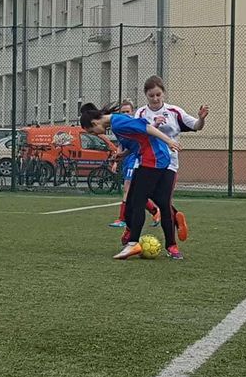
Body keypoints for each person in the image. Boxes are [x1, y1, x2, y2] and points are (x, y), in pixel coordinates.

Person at [80, 103, 181, 260]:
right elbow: (139, 140)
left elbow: (147, 128)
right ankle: (171, 246)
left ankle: (133, 242)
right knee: (156, 201)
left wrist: (169, 141)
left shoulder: (118, 123)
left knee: (137, 202)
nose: (96, 134)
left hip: (153, 159)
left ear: (94, 122)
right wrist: (124, 154)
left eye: (92, 132)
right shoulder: (116, 123)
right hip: (152, 158)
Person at [136, 75, 209, 244]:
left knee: (163, 200)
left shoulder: (174, 112)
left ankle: (171, 245)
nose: (155, 99)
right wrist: (153, 125)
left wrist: (201, 118)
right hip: (147, 162)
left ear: (164, 93)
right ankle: (174, 216)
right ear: (146, 95)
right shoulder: (141, 113)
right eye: (151, 95)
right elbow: (137, 135)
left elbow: (196, 126)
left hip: (169, 163)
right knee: (140, 195)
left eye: (158, 95)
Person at [109, 99, 160, 228]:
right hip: (126, 160)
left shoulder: (134, 125)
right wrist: (116, 162)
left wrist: (156, 124)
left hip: (135, 159)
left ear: (132, 112)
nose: (125, 114)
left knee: (127, 189)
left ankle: (122, 219)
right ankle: (154, 210)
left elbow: (147, 133)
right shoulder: (121, 127)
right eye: (123, 112)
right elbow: (120, 146)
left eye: (128, 111)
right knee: (133, 192)